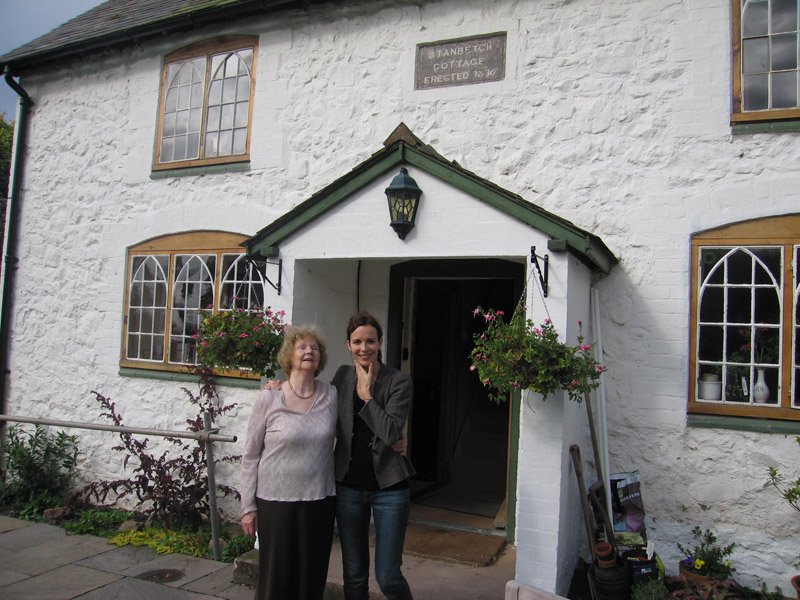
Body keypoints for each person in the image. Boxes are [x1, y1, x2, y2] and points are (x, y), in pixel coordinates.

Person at [239, 325, 337, 600]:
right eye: (302, 347)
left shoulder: (331, 396)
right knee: (277, 576)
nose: (309, 352)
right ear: (288, 356)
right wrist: (247, 506)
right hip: (275, 500)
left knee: (311, 574)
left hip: (319, 499)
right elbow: (250, 454)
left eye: (314, 348)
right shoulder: (269, 397)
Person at [333, 311, 415, 600]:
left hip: (389, 489)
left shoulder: (398, 381)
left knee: (388, 576)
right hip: (348, 487)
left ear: (380, 343)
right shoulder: (342, 377)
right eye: (357, 342)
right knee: (354, 576)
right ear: (348, 345)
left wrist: (367, 397)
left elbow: (392, 433)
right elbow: (317, 406)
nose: (363, 348)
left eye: (370, 341)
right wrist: (280, 389)